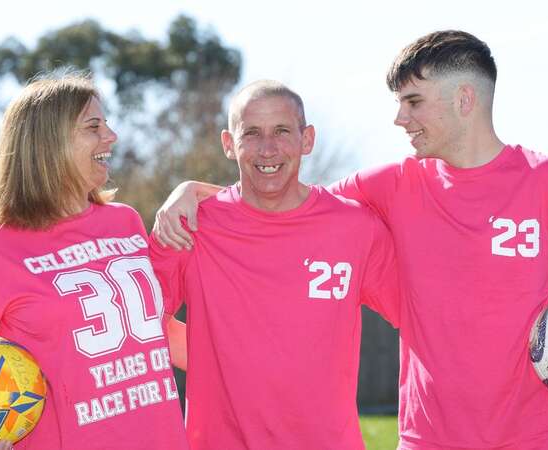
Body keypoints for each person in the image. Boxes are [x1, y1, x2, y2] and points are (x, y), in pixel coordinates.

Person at [154, 31, 548, 449]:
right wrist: (195, 193)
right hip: (428, 438)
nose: (400, 119)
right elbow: (281, 197)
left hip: (535, 435)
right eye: (400, 104)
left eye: (413, 102)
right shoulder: (394, 185)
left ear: (465, 100)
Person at [148, 80, 401, 450]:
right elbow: (137, 327)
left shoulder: (355, 228)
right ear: (228, 144)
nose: (268, 148)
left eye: (282, 131)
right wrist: (215, 358)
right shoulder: (189, 226)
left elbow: (423, 316)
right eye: (251, 133)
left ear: (307, 139)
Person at [0, 72, 189, 450]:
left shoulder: (124, 221)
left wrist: (256, 363)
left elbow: (154, 330)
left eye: (106, 124)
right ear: (49, 144)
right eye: (94, 126)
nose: (111, 136)